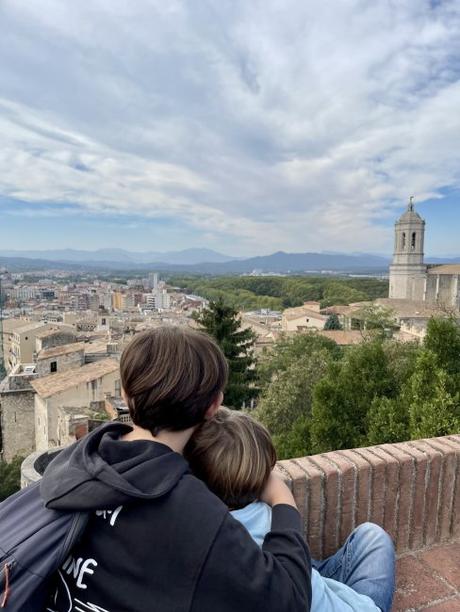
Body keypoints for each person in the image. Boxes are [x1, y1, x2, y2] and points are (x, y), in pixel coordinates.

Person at [42, 326, 312, 612]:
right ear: (214, 407)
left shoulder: (72, 465)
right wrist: (282, 500)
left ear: (124, 393)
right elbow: (289, 601)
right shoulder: (194, 513)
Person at [185, 407, 396, 612]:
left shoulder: (192, 526)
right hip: (324, 594)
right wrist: (281, 496)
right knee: (373, 536)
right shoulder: (269, 525)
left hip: (307, 580)